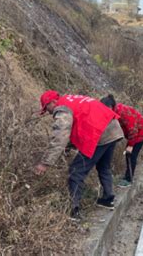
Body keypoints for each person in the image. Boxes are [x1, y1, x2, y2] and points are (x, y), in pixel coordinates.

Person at [34, 90, 124, 221]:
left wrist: (45, 163)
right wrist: (68, 146)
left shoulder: (62, 108)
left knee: (76, 172)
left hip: (100, 133)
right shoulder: (71, 100)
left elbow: (60, 136)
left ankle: (74, 210)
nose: (48, 112)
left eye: (47, 108)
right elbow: (81, 121)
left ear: (53, 102)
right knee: (104, 166)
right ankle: (107, 199)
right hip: (113, 128)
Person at [100, 95, 143, 187]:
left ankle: (129, 179)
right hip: (135, 132)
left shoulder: (123, 112)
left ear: (111, 106)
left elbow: (133, 129)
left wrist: (130, 145)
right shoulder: (113, 111)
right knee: (129, 154)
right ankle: (128, 176)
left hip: (141, 132)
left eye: (106, 108)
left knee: (131, 155)